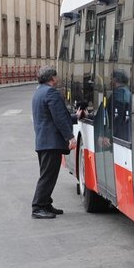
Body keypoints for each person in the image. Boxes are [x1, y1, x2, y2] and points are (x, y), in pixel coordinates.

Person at [31, 65, 84, 219]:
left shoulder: (39, 92)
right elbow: (59, 118)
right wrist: (70, 137)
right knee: (48, 176)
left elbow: (51, 117)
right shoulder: (51, 93)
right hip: (50, 142)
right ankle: (38, 207)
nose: (58, 78)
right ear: (52, 78)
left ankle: (46, 204)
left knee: (48, 174)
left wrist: (75, 117)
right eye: (56, 76)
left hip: (43, 141)